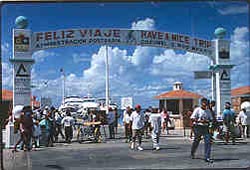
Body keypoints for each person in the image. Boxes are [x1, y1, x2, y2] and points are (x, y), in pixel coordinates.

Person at [190, 98, 213, 163]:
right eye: (204, 103)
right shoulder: (197, 110)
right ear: (201, 103)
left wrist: (207, 121)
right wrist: (199, 120)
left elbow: (211, 119)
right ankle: (192, 152)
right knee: (197, 140)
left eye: (206, 103)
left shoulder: (208, 111)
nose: (205, 105)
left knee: (208, 142)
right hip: (198, 127)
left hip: (205, 127)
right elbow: (192, 118)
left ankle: (207, 157)